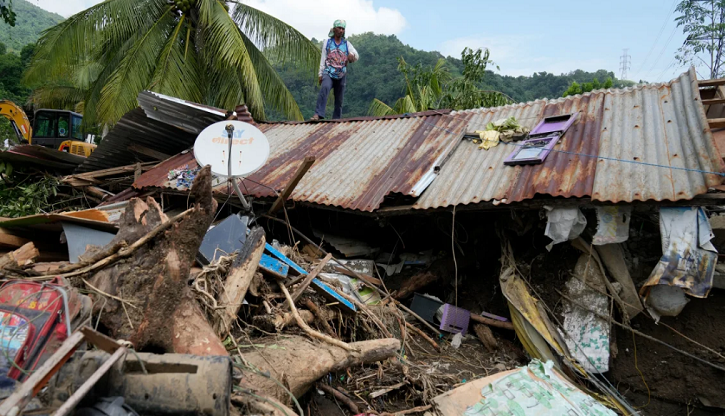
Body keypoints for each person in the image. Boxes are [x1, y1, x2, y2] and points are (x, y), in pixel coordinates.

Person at [311, 19, 359, 120]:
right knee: (325, 88)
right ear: (334, 29)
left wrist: (352, 56)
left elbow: (356, 55)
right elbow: (323, 58)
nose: (341, 30)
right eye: (339, 28)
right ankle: (318, 114)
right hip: (328, 72)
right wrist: (320, 74)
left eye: (343, 29)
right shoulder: (327, 43)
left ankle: (336, 118)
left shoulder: (347, 44)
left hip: (341, 74)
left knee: (339, 98)